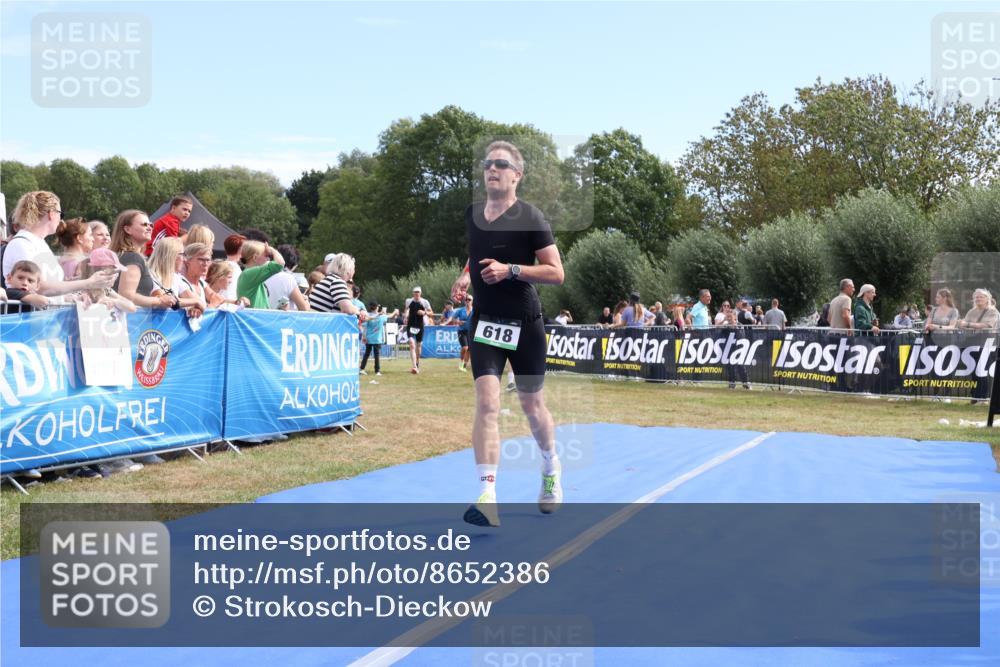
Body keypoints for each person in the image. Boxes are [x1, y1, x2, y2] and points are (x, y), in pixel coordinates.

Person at [449, 140, 565, 527]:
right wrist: (466, 274)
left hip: (524, 323)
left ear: (517, 175)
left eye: (501, 164)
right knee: (486, 402)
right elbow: (476, 250)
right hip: (485, 321)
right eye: (487, 164)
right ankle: (487, 495)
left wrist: (510, 269)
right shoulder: (472, 214)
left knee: (532, 407)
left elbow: (555, 272)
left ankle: (550, 466)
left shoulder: (531, 216)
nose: (492, 169)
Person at [3, 191, 115, 302]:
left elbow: (48, 290)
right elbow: (38, 287)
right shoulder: (23, 244)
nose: (61, 220)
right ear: (52, 213)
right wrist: (89, 282)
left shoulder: (38, 243)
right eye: (61, 214)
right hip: (31, 316)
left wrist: (68, 297)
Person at [109, 210, 177, 310]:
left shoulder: (119, 256)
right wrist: (159, 300)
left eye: (151, 225)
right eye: (144, 225)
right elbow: (127, 296)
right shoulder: (133, 257)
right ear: (128, 229)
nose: (149, 228)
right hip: (132, 321)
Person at [178, 243, 246, 309]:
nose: (205, 264)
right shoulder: (180, 281)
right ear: (187, 262)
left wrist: (237, 302)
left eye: (208, 260)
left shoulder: (201, 282)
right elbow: (202, 308)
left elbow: (216, 298)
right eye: (201, 259)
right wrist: (213, 305)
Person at [146, 237, 200, 314]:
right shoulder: (150, 275)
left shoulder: (175, 277)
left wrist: (195, 307)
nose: (184, 259)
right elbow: (167, 303)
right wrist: (195, 302)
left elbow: (201, 303)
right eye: (182, 254)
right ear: (171, 255)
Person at [308, 253, 365, 318]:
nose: (354, 271)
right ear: (348, 270)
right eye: (354, 268)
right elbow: (347, 309)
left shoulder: (328, 279)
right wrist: (359, 312)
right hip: (324, 325)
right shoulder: (337, 282)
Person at [237, 240, 286, 308]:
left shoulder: (249, 274)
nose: (268, 259)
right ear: (255, 257)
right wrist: (272, 250)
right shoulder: (249, 273)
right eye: (266, 255)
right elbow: (280, 264)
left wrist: (279, 308)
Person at [264, 244, 310, 311]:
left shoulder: (263, 272)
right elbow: (304, 308)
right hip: (280, 319)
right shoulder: (288, 278)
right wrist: (306, 301)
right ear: (295, 265)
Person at [360, 303, 398, 376]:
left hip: (369, 338)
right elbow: (390, 316)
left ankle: (362, 369)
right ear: (376, 308)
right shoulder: (381, 316)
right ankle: (377, 371)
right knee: (376, 355)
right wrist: (395, 312)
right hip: (377, 339)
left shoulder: (367, 315)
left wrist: (364, 336)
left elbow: (364, 327)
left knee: (366, 354)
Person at [403, 286, 433, 373]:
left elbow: (431, 313)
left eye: (418, 292)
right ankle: (414, 367)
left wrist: (424, 313)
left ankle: (417, 362)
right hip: (410, 325)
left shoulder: (425, 302)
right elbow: (406, 310)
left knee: (419, 345)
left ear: (420, 293)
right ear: (413, 293)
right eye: (415, 292)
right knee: (412, 344)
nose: (416, 294)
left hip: (420, 326)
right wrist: (406, 315)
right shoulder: (408, 301)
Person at [451, 294, 475, 371]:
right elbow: (453, 319)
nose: (467, 301)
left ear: (472, 301)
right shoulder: (460, 310)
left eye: (469, 300)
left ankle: (464, 366)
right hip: (461, 331)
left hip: (471, 332)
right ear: (464, 301)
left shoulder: (474, 310)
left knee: (470, 349)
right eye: (466, 300)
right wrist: (458, 322)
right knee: (465, 347)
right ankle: (461, 364)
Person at [221, 234, 245, 301]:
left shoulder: (223, 264)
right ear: (240, 249)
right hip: (229, 305)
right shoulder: (234, 267)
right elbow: (230, 292)